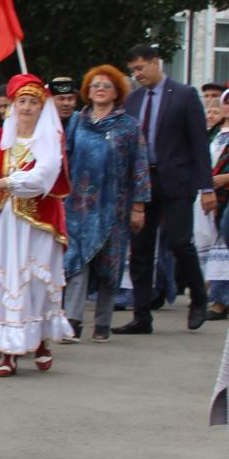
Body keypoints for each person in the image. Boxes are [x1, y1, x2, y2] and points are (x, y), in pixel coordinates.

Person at [0, 73, 72, 376]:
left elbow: (43, 177)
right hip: (2, 219)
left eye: (32, 102)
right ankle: (7, 350)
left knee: (34, 281)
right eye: (21, 101)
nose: (26, 108)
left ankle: (39, 341)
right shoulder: (0, 139)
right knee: (4, 280)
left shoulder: (50, 138)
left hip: (37, 222)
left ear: (42, 107)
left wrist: (4, 182)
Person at [113, 43, 215, 334]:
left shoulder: (184, 95)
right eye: (133, 71)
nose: (137, 74)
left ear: (156, 63)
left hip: (176, 181)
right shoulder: (132, 101)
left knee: (180, 242)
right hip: (143, 183)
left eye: (141, 68)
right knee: (141, 249)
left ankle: (198, 297)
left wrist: (206, 187)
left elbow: (199, 143)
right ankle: (142, 315)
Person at [62, 66, 150, 342]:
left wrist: (139, 206)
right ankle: (72, 322)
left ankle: (102, 324)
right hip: (79, 207)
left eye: (106, 85)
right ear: (87, 92)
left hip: (115, 207)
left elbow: (140, 167)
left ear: (117, 92)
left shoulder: (129, 126)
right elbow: (65, 159)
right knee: (76, 262)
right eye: (95, 85)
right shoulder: (77, 121)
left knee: (109, 266)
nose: (100, 89)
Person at [197, 89, 229, 319]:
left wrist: (226, 178)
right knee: (209, 241)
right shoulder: (214, 133)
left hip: (225, 194)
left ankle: (220, 301)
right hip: (211, 193)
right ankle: (214, 296)